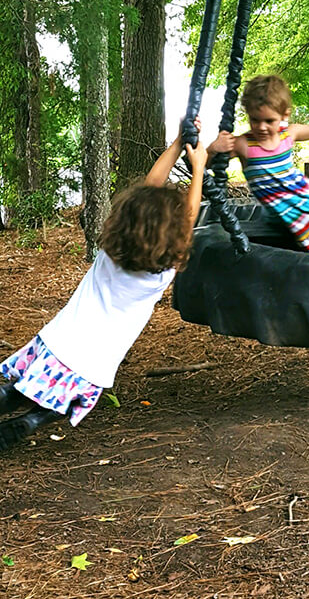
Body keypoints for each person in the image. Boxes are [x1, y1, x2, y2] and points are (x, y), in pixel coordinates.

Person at [0, 124, 208, 452]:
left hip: (57, 344)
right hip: (92, 364)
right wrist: (199, 169)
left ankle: (6, 400)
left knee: (17, 389)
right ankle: (32, 422)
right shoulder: (159, 275)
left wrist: (176, 145)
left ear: (123, 219)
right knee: (60, 404)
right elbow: (188, 218)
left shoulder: (111, 252)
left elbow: (150, 187)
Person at [208, 74, 309, 256]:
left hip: (304, 195)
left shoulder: (289, 134)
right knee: (308, 233)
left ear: (284, 115)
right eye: (255, 120)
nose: (262, 127)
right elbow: (202, 166)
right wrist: (212, 149)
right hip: (279, 207)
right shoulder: (243, 144)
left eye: (269, 121)